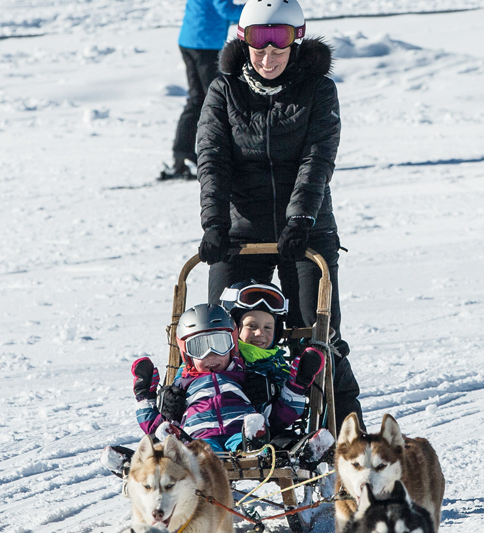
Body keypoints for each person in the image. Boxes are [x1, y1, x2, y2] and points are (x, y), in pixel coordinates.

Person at [195, 0, 364, 431]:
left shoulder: (318, 89)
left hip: (306, 229)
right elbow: (212, 159)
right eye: (258, 48)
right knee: (219, 334)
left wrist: (301, 219)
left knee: (316, 335)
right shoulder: (225, 88)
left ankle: (347, 436)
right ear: (244, 42)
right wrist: (214, 224)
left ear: (296, 43)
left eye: (278, 49)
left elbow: (317, 158)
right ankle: (223, 428)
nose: (268, 59)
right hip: (240, 231)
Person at [130, 303, 322, 452]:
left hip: (241, 432)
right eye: (199, 348)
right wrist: (144, 396)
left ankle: (256, 445)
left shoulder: (247, 378)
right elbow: (155, 425)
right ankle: (160, 455)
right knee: (190, 446)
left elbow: (278, 415)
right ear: (187, 354)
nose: (211, 354)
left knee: (252, 431)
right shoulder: (181, 388)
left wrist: (297, 385)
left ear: (232, 345)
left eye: (219, 344)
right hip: (199, 439)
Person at [222, 281, 326, 436]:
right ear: (235, 327)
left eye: (268, 327)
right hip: (219, 426)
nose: (259, 333)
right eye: (251, 326)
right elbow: (194, 376)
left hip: (267, 431)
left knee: (286, 439)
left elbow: (285, 410)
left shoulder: (278, 367)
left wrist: (275, 388)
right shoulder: (221, 355)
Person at [158, 0, 245, 181]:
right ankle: (222, 156)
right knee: (218, 101)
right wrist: (257, 9)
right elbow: (226, 10)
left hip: (190, 40)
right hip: (205, 44)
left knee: (198, 100)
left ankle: (183, 155)